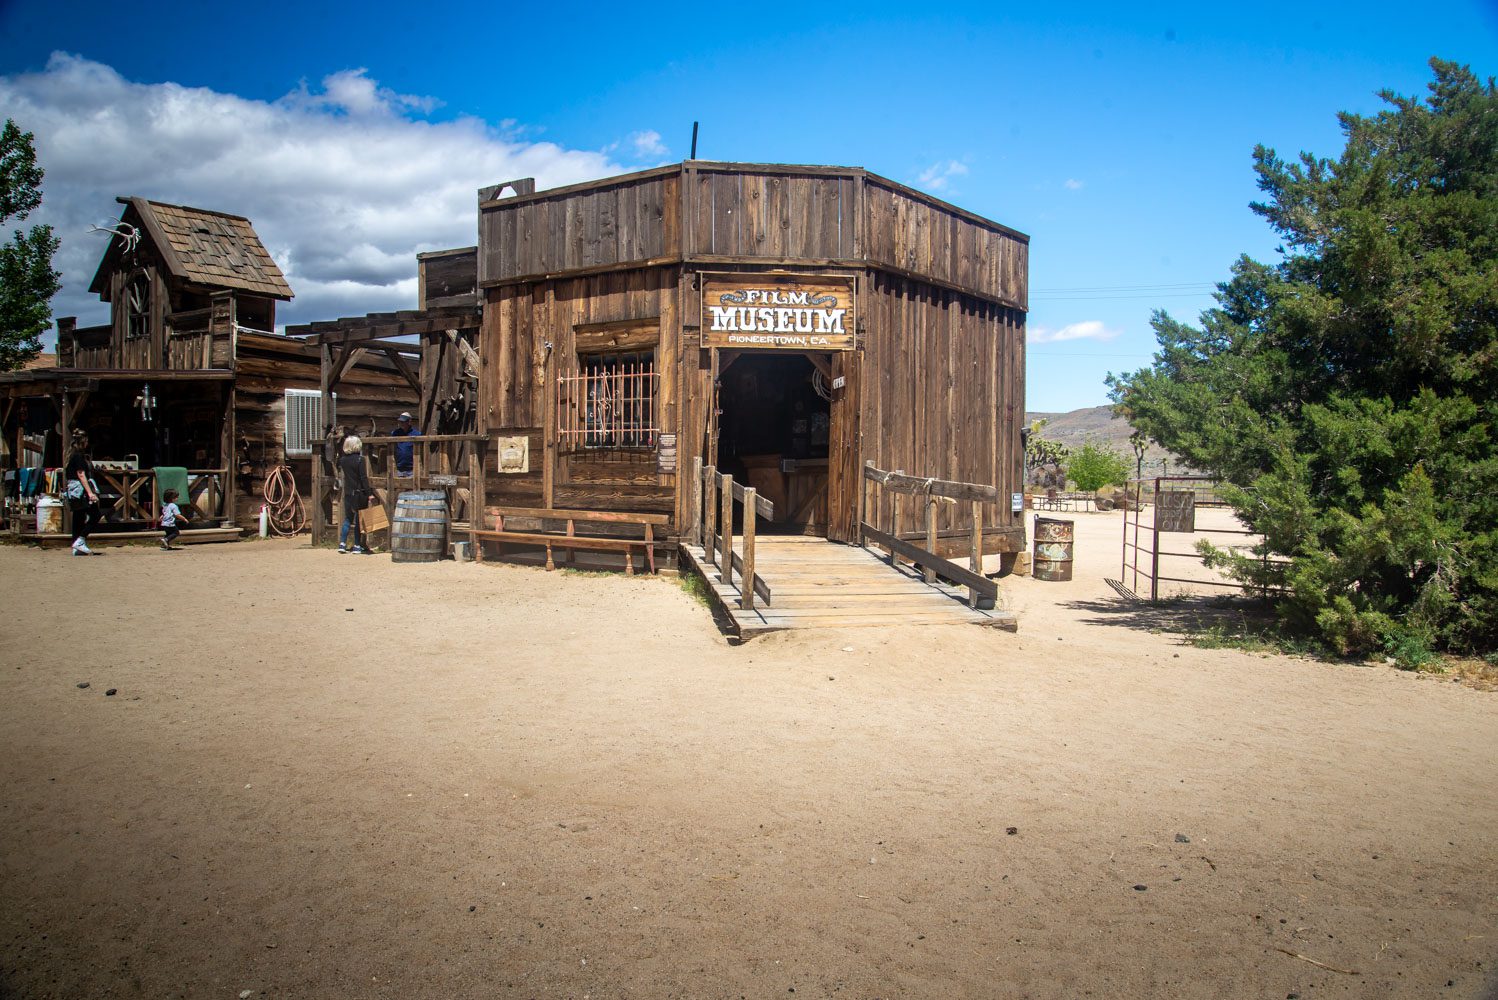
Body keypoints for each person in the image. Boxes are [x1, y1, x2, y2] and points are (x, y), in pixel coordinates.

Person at [64, 430, 101, 556]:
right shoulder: (78, 456)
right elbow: (81, 475)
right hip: (80, 490)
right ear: (83, 441)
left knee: (78, 516)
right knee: (95, 514)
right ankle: (80, 540)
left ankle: (76, 544)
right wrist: (90, 492)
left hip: (72, 490)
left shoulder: (70, 455)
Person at [338, 434, 375, 554]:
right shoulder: (360, 460)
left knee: (348, 518)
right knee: (359, 519)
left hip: (348, 492)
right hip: (359, 493)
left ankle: (342, 543)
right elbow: (363, 478)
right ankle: (357, 545)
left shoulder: (343, 460)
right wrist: (369, 493)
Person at [391, 412, 419, 476]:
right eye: (400, 422)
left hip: (412, 469)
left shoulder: (416, 434)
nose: (401, 424)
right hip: (399, 468)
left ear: (409, 422)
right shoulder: (395, 433)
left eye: (403, 422)